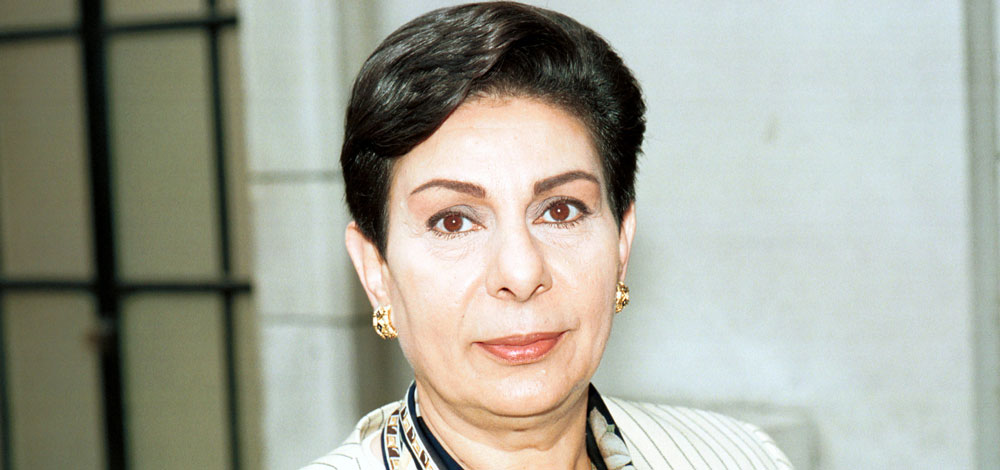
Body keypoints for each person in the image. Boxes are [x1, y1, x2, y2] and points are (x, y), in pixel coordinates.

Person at [305, 2, 792, 469]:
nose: (521, 273)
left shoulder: (741, 455)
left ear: (621, 244)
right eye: (453, 221)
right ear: (376, 271)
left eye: (561, 211)